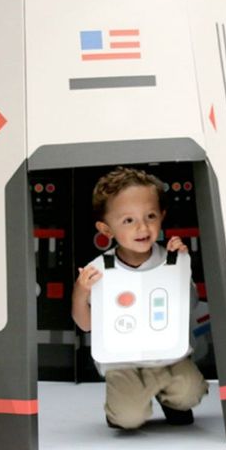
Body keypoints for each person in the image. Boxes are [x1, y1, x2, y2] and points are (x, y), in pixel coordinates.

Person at [72, 166, 208, 430]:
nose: (142, 227)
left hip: (169, 357)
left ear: (162, 216)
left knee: (190, 393)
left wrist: (180, 268)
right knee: (128, 417)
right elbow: (85, 324)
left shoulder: (171, 259)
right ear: (106, 229)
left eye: (150, 216)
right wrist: (81, 292)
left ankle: (172, 401)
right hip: (122, 362)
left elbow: (190, 304)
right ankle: (121, 408)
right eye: (128, 220)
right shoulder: (98, 271)